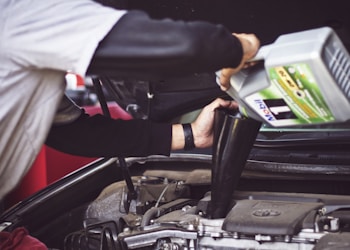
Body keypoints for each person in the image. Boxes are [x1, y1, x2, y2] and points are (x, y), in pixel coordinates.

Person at [0, 0, 260, 199]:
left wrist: (191, 134)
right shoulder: (21, 13)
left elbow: (71, 132)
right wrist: (239, 47)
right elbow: (180, 45)